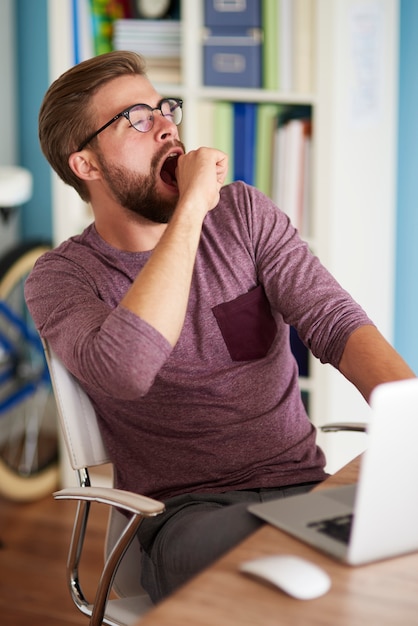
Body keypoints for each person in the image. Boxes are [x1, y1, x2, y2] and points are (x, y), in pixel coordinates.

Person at [25, 50, 415, 603]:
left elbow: (334, 322)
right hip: (187, 516)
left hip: (302, 487)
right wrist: (190, 211)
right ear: (85, 165)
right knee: (295, 563)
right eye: (136, 118)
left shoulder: (243, 216)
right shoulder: (61, 278)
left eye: (164, 108)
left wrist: (410, 417)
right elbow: (128, 370)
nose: (166, 126)